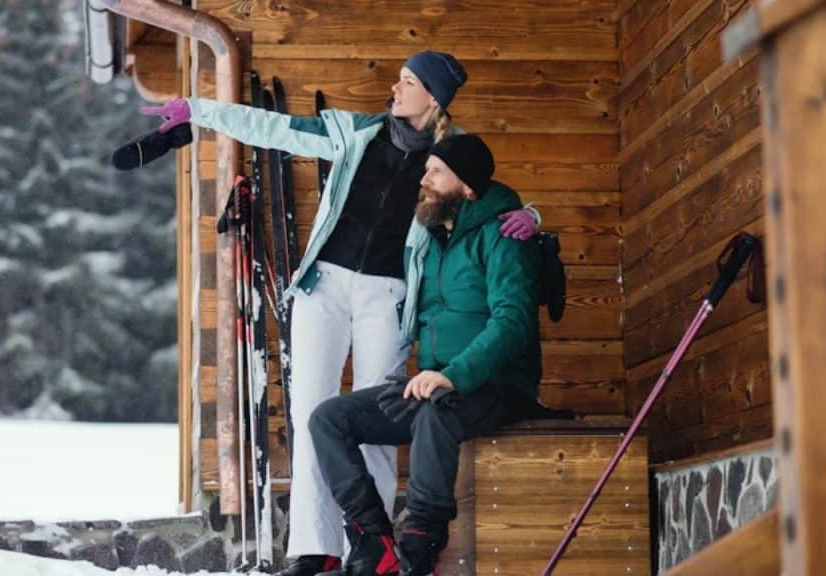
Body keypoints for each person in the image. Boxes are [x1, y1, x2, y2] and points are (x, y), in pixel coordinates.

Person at [143, 53, 540, 576]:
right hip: (322, 286)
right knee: (313, 408)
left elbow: (486, 196)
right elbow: (274, 127)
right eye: (399, 79)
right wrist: (199, 111)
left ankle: (371, 553)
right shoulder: (356, 131)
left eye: (409, 82)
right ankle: (316, 546)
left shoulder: (450, 154)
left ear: (435, 98)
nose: (395, 89)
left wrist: (530, 214)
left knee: (377, 412)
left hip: (390, 295)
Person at [308, 134, 542, 576]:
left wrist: (453, 375)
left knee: (436, 414)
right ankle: (373, 544)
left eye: (436, 171)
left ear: (468, 187)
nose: (425, 178)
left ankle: (419, 549)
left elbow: (512, 322)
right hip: (438, 385)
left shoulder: (503, 235)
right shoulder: (432, 238)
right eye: (426, 169)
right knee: (329, 419)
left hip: (494, 386)